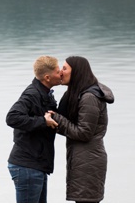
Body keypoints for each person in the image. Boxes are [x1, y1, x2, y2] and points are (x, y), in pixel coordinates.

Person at [50, 56, 115, 203]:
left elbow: (84, 133)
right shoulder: (77, 94)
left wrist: (56, 119)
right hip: (82, 158)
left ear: (77, 72)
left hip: (89, 161)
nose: (61, 72)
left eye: (65, 68)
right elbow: (68, 125)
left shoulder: (89, 97)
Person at [6, 55, 63, 203]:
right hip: (26, 166)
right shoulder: (32, 94)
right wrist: (42, 121)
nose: (61, 73)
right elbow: (12, 117)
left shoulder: (45, 93)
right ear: (47, 77)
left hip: (35, 165)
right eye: (57, 72)